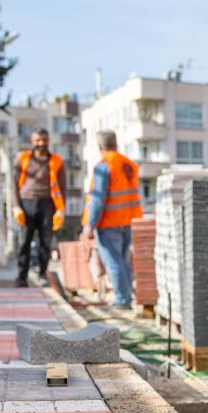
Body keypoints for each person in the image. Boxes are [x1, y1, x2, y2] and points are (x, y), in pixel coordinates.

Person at [82, 130, 142, 309]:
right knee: (123, 261)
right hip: (128, 220)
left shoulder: (104, 166)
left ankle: (122, 300)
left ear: (100, 147)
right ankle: (126, 297)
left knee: (113, 262)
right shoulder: (129, 164)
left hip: (109, 222)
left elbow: (98, 199)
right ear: (116, 144)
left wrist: (90, 224)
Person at [13, 128, 65, 287]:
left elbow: (63, 187)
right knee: (24, 242)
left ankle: (43, 274)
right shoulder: (22, 158)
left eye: (44, 140)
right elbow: (14, 184)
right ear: (32, 141)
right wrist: (16, 206)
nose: (41, 143)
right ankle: (22, 277)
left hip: (47, 204)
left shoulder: (57, 161)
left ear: (48, 141)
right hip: (26, 203)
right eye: (38, 140)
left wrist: (61, 210)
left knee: (45, 242)